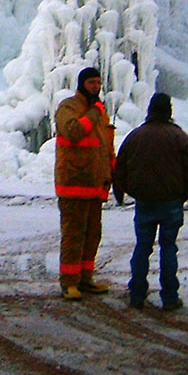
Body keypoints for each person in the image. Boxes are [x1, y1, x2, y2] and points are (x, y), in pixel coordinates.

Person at [112, 92, 188, 311]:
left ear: (150, 110)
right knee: (169, 248)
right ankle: (170, 297)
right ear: (169, 111)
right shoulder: (178, 136)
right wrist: (186, 193)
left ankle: (137, 294)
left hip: (145, 202)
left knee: (142, 247)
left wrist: (122, 192)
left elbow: (120, 166)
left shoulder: (136, 136)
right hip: (171, 202)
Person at [54, 66, 115, 300]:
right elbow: (73, 132)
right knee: (73, 235)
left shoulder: (99, 112)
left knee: (93, 235)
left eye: (99, 83)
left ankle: (85, 279)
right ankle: (69, 282)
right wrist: (94, 114)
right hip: (73, 184)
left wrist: (111, 173)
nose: (96, 87)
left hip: (95, 185)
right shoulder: (68, 107)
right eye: (92, 83)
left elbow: (105, 146)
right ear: (82, 84)